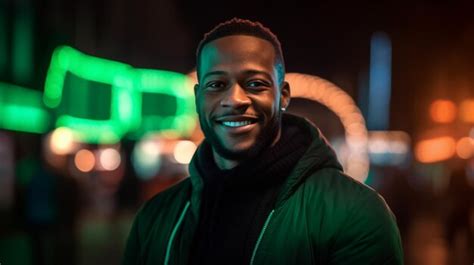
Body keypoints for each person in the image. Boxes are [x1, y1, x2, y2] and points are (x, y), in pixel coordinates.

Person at [122, 18, 404, 265]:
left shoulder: (355, 214)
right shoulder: (155, 218)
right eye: (216, 85)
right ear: (198, 99)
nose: (234, 100)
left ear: (284, 96)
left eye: (255, 84)